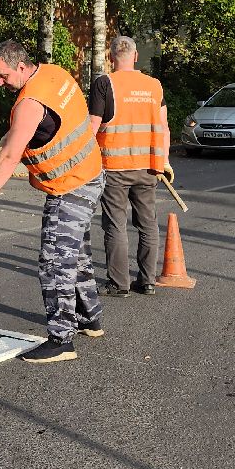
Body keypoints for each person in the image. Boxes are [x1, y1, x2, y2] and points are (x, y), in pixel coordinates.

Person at [0, 40, 105, 364]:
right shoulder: (54, 75)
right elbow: (28, 134)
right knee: (76, 254)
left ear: (20, 66)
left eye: (2, 76)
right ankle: (90, 319)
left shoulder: (30, 102)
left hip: (69, 186)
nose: (0, 83)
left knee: (54, 261)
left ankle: (61, 340)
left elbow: (11, 156)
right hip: (91, 173)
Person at [88, 36, 172, 296]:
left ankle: (119, 283)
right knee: (147, 224)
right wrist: (164, 162)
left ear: (111, 57)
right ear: (136, 56)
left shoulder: (105, 84)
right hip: (148, 166)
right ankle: (147, 281)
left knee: (116, 225)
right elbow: (164, 127)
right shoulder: (154, 85)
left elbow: (92, 127)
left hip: (114, 166)